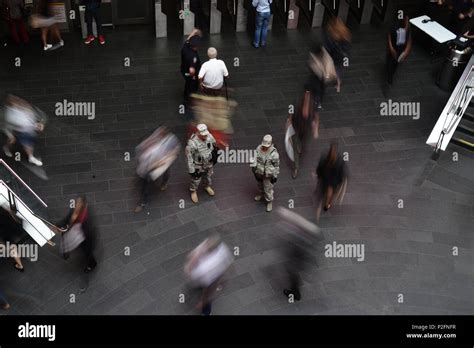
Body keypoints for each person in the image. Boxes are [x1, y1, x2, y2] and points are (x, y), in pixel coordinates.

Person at [277, 207, 321, 302]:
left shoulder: (302, 237)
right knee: (294, 275)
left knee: (293, 275)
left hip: (297, 262)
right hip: (299, 261)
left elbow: (300, 251)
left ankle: (295, 293)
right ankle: (296, 287)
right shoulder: (307, 233)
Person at [134, 126, 181, 213]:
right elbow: (146, 143)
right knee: (145, 182)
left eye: (162, 133)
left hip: (161, 163)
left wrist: (163, 160)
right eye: (160, 133)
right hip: (149, 164)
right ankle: (144, 200)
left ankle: (163, 183)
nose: (160, 134)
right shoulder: (156, 135)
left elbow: (175, 151)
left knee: (164, 172)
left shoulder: (172, 140)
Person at [184, 235, 234, 315]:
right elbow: (193, 255)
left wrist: (203, 301)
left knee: (208, 296)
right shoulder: (209, 246)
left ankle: (206, 312)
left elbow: (208, 290)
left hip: (212, 278)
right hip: (206, 276)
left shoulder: (207, 268)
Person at [57, 196, 97, 274]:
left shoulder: (86, 217)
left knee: (87, 253)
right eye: (77, 202)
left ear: (83, 205)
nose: (76, 205)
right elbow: (67, 219)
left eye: (79, 203)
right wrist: (58, 225)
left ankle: (92, 264)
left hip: (84, 239)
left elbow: (89, 232)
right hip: (74, 233)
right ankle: (67, 251)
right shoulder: (74, 210)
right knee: (67, 241)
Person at [3, 94, 44, 166]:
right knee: (17, 141)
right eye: (14, 100)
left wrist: (37, 124)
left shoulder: (22, 107)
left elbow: (30, 117)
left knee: (28, 141)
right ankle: (7, 147)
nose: (17, 101)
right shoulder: (9, 112)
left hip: (26, 129)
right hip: (12, 128)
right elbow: (15, 122)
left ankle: (30, 156)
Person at [288, 91, 319, 179]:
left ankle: (300, 148)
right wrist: (289, 124)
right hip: (296, 127)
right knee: (295, 147)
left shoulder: (313, 105)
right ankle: (296, 168)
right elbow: (291, 113)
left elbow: (316, 116)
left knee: (302, 145)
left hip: (307, 129)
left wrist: (316, 128)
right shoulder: (297, 103)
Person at [314, 143, 348, 221]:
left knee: (330, 193)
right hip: (326, 179)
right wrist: (318, 175)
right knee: (325, 192)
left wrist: (341, 181)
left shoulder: (339, 161)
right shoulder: (325, 158)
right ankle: (326, 204)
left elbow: (342, 172)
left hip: (333, 181)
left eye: (334, 152)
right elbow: (319, 168)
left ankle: (327, 204)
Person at [185, 123, 218, 203]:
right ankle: (193, 191)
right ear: (198, 133)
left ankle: (206, 186)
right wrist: (191, 170)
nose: (205, 136)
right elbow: (189, 157)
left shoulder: (209, 136)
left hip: (208, 162)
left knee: (208, 176)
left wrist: (214, 156)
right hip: (198, 165)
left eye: (205, 134)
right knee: (196, 179)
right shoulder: (192, 142)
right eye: (203, 135)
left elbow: (214, 144)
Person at [250, 134, 279, 212]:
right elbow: (255, 157)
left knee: (268, 188)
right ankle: (261, 193)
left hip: (268, 174)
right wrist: (253, 163)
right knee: (260, 184)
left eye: (266, 146)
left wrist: (275, 175)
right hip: (259, 171)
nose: (264, 147)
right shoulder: (258, 148)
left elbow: (276, 165)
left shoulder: (274, 153)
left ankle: (269, 201)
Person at [323, 17, 351, 93]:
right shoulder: (345, 33)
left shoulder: (331, 34)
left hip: (334, 56)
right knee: (339, 70)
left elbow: (328, 47)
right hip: (342, 57)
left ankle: (327, 79)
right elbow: (347, 46)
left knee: (330, 68)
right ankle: (338, 85)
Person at [305, 43, 337, 109]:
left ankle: (318, 101)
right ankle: (312, 93)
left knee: (320, 90)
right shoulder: (315, 55)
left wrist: (327, 78)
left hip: (323, 77)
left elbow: (328, 70)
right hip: (317, 74)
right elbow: (312, 63)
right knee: (315, 86)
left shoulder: (327, 58)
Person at [386, 14, 412, 85]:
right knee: (390, 61)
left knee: (396, 63)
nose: (407, 22)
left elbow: (409, 41)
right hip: (395, 46)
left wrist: (405, 52)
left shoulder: (407, 29)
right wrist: (391, 48)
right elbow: (389, 37)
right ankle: (389, 75)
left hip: (400, 48)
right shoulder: (395, 27)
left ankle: (390, 74)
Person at [0, 204, 26, 272]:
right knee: (11, 246)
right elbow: (9, 213)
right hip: (9, 226)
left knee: (10, 246)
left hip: (3, 231)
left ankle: (20, 266)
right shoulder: (2, 207)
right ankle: (20, 265)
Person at [181, 30, 202, 108]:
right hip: (189, 73)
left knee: (188, 84)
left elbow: (188, 39)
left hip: (183, 69)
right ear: (195, 46)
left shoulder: (186, 46)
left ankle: (186, 95)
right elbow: (191, 70)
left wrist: (194, 32)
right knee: (192, 86)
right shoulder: (192, 56)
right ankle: (190, 101)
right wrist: (193, 76)